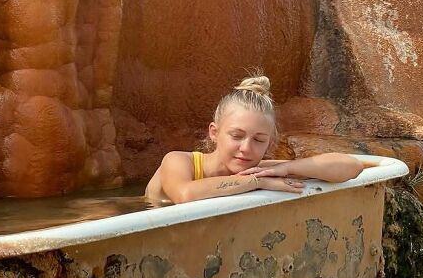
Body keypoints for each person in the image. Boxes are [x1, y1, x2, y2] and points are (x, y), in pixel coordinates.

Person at [145, 74, 381, 205]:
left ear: (270, 144)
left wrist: (287, 167)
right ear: (214, 132)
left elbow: (352, 166)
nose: (246, 148)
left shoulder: (259, 170)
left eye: (259, 140)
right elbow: (184, 195)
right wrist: (257, 183)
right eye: (236, 136)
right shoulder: (178, 161)